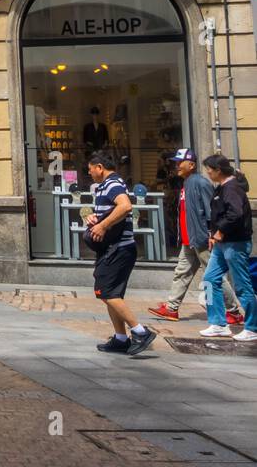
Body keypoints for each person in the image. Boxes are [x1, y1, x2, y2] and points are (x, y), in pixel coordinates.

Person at [150, 149, 241, 324]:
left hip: (201, 238)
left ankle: (234, 311)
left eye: (180, 162)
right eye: (176, 162)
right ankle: (171, 308)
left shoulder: (199, 182)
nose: (176, 166)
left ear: (191, 165)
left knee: (213, 276)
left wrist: (211, 234)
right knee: (182, 272)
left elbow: (212, 210)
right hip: (189, 239)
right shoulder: (187, 182)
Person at [85, 151, 156, 356]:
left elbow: (125, 206)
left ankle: (140, 332)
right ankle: (120, 338)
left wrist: (103, 226)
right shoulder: (106, 186)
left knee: (106, 292)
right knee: (111, 294)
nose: (90, 174)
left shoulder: (112, 183)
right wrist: (94, 219)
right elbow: (112, 210)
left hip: (119, 248)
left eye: (90, 170)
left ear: (100, 167)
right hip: (114, 248)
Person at [198, 155, 257, 341]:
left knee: (242, 285)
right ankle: (217, 323)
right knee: (209, 279)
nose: (207, 172)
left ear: (219, 170)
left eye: (209, 168)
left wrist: (220, 232)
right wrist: (213, 234)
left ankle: (252, 327)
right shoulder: (222, 187)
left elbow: (235, 214)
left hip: (235, 243)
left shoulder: (231, 188)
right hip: (222, 244)